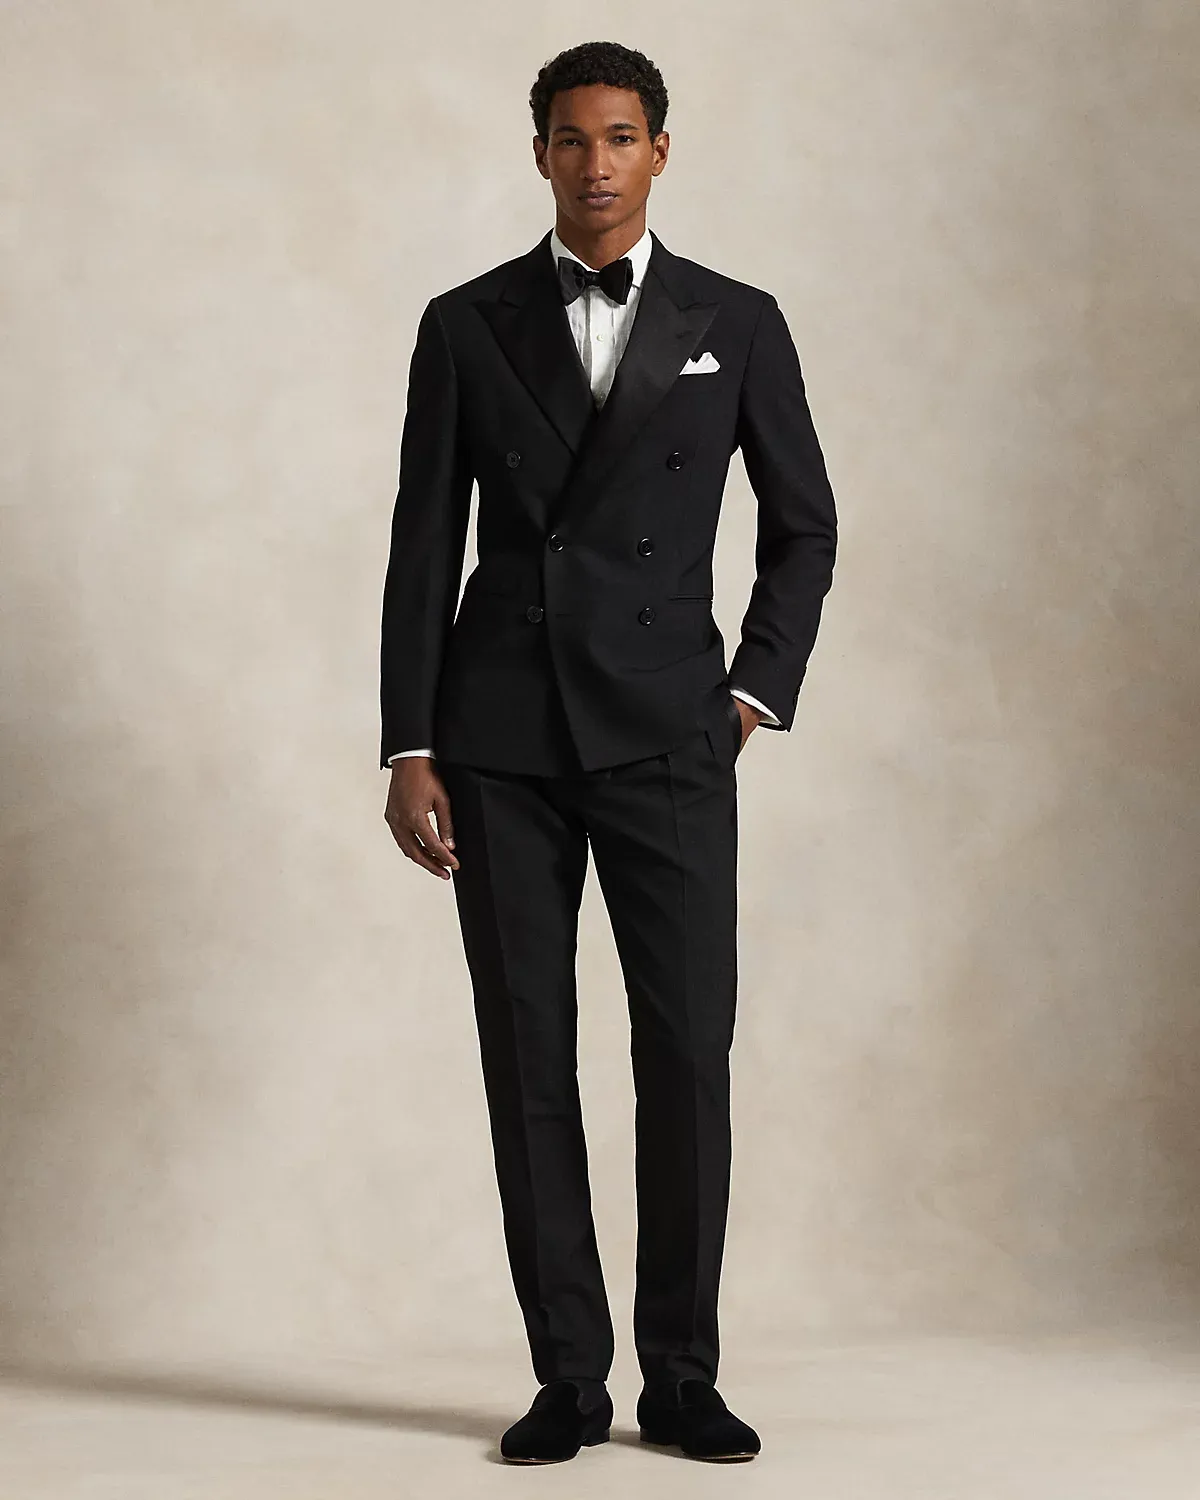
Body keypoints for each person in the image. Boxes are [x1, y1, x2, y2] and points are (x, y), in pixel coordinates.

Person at [379, 39, 837, 1465]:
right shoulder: (465, 324)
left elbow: (806, 526)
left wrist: (751, 695)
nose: (596, 163)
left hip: (670, 737)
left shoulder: (736, 321)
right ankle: (569, 1377)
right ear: (539, 155)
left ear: (660, 151)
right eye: (571, 139)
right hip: (501, 739)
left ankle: (682, 1376)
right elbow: (421, 546)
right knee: (528, 1054)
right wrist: (408, 741)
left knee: (686, 1053)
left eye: (621, 137)